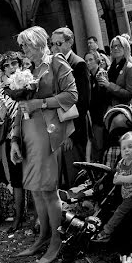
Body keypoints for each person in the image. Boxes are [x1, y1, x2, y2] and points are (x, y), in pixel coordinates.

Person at [11, 25, 78, 263]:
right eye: (22, 46)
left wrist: (40, 103)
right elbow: (19, 109)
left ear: (40, 43)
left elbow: (72, 95)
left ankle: (57, 242)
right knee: (36, 189)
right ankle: (43, 237)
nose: (24, 50)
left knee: (48, 190)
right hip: (29, 136)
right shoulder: (27, 69)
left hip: (48, 135)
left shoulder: (56, 63)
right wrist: (14, 139)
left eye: (26, 45)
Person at [0, 51, 26, 232]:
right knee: (17, 178)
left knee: (34, 175)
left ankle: (39, 217)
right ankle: (18, 217)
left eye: (14, 63)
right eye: (7, 65)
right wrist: (0, 96)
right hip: (12, 137)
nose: (11, 68)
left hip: (31, 133)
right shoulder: (1, 90)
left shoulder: (27, 80)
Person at [50, 27, 91, 187]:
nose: (55, 48)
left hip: (75, 124)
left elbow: (82, 102)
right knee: (65, 173)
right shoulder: (56, 63)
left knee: (75, 170)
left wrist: (70, 134)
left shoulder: (78, 64)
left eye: (59, 43)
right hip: (61, 122)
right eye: (52, 44)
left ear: (70, 42)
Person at [96, 131, 132, 243]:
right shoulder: (122, 162)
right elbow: (115, 178)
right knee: (116, 208)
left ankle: (107, 231)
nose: (127, 150)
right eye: (124, 148)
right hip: (126, 194)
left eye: (130, 146)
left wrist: (121, 179)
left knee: (120, 211)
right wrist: (118, 178)